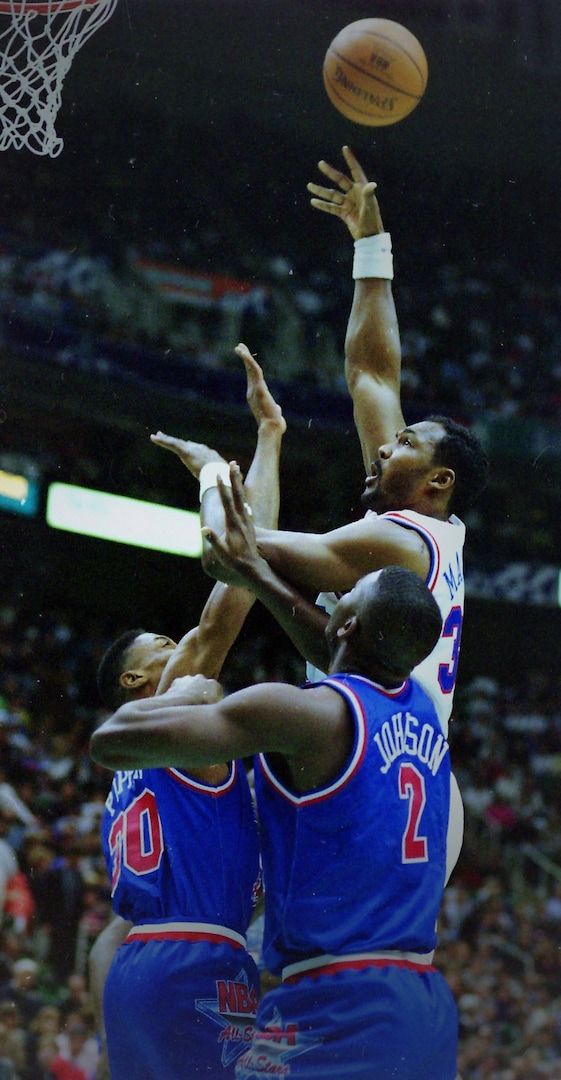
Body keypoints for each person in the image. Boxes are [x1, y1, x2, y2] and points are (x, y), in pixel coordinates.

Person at [155, 147, 488, 876]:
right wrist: (372, 243)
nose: (383, 444)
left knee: (294, 957)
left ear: (435, 479)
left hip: (375, 771)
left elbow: (227, 550)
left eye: (401, 444)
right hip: (416, 773)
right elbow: (372, 374)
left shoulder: (397, 538)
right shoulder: (437, 530)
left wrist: (215, 472)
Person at [89, 487, 460, 1079]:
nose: (333, 595)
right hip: (422, 999)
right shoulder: (421, 709)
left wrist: (193, 689)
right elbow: (336, 642)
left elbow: (109, 743)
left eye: (345, 593)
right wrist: (260, 578)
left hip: (333, 995)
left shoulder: (302, 715)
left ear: (347, 623)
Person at [88, 344, 286, 1080]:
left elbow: (104, 939)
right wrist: (244, 455)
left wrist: (269, 441)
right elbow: (239, 578)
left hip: (142, 960)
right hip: (198, 958)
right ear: (142, 680)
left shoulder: (134, 767)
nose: (187, 650)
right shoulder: (173, 711)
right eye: (166, 647)